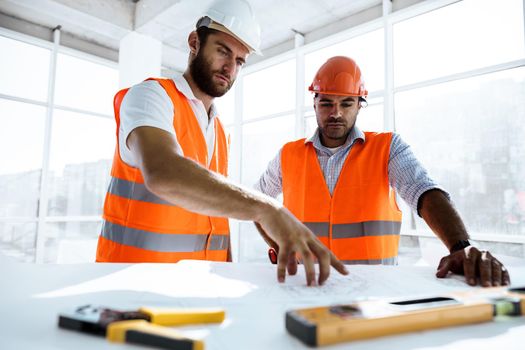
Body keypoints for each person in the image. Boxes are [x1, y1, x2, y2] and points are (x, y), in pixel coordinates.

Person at [95, 0, 348, 286]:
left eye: (240, 60)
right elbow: (163, 172)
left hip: (196, 291)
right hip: (128, 289)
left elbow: (213, 215)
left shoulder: (217, 129)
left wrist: (229, 272)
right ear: (194, 42)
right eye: (222, 51)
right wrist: (267, 209)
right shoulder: (151, 96)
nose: (230, 67)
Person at [256, 56, 510, 287]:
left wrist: (461, 246)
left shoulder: (388, 148)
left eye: (346, 103)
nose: (336, 113)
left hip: (373, 290)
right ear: (314, 104)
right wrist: (278, 245)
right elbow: (255, 202)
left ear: (359, 105)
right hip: (306, 286)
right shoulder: (288, 155)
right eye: (326, 103)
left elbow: (423, 191)